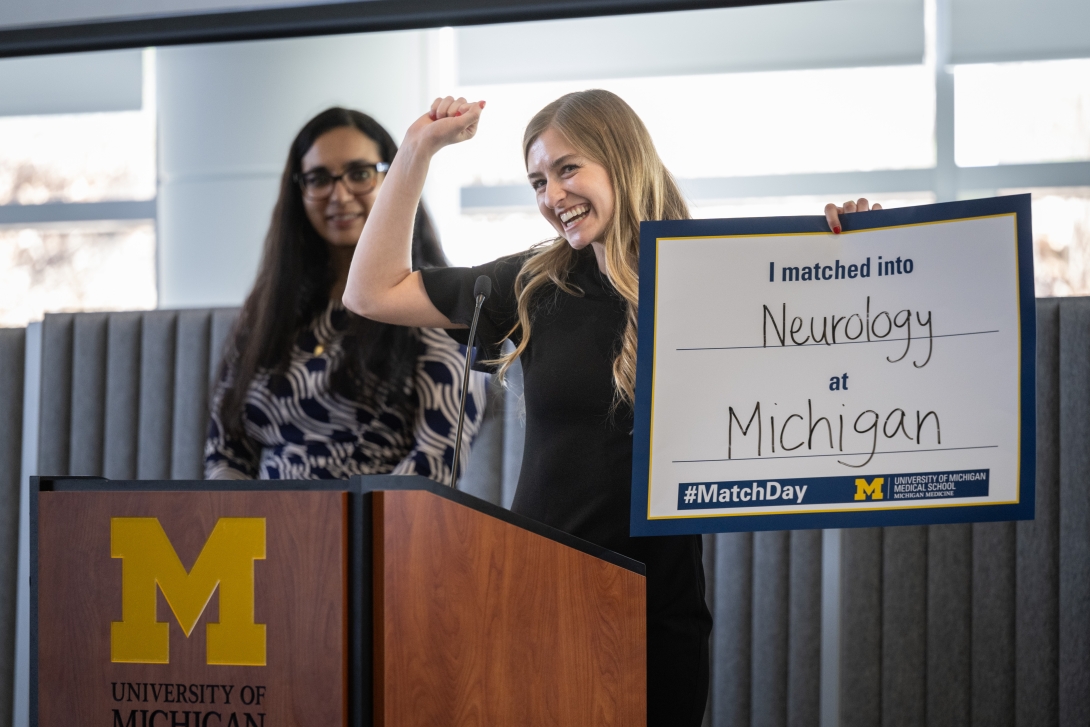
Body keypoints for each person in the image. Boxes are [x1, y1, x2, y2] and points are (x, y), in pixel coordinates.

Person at [342, 90, 878, 724]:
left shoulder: (715, 278)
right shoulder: (535, 284)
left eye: (568, 169)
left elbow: (836, 371)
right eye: (538, 180)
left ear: (621, 161)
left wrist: (855, 256)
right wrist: (418, 148)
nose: (552, 195)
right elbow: (371, 292)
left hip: (657, 610)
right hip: (538, 598)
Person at [205, 106, 487, 482]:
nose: (339, 195)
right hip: (260, 531)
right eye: (319, 178)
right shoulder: (270, 309)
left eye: (359, 174)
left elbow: (438, 460)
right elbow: (226, 451)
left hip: (379, 529)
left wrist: (336, 530)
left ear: (394, 179)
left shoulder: (430, 303)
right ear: (299, 191)